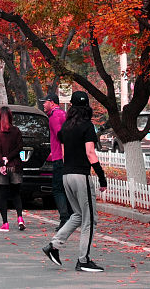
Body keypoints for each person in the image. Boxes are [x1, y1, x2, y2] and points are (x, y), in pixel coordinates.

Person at [41, 90, 105, 273]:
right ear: (87, 107)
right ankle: (83, 260)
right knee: (90, 219)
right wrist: (101, 177)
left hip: (66, 174)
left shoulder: (66, 127)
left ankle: (54, 245)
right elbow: (90, 153)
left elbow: (62, 150)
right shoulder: (87, 126)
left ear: (71, 106)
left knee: (77, 214)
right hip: (80, 175)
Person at [0, 105, 25, 231]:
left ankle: (5, 223)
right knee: (16, 193)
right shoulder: (16, 131)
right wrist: (9, 158)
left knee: (3, 195)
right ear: (10, 116)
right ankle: (20, 218)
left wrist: (2, 162)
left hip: (2, 168)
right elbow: (19, 147)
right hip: (15, 166)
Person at [41, 93, 71, 226]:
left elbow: (60, 135)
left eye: (45, 102)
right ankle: (72, 216)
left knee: (57, 189)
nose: (43, 104)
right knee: (67, 188)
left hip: (59, 157)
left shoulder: (54, 116)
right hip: (69, 157)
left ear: (52, 102)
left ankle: (64, 218)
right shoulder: (65, 114)